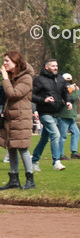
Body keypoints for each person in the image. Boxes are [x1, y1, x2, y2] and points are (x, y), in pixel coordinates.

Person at [1, 52, 37, 189]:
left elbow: (13, 94)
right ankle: (14, 180)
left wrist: (5, 78)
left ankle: (30, 180)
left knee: (22, 148)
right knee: (10, 148)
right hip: (10, 118)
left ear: (16, 63)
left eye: (7, 61)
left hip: (21, 118)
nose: (4, 63)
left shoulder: (26, 78)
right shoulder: (11, 77)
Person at [30, 58, 69, 172]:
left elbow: (65, 92)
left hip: (56, 113)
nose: (56, 68)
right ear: (46, 67)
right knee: (56, 135)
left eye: (56, 65)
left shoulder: (60, 79)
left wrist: (68, 101)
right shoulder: (39, 80)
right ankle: (56, 161)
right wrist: (44, 99)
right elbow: (31, 95)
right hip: (45, 113)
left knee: (44, 139)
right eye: (53, 66)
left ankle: (34, 161)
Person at [56, 73, 80, 159]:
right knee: (63, 136)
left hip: (69, 116)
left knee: (76, 132)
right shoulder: (63, 88)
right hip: (64, 115)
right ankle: (60, 155)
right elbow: (72, 97)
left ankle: (74, 152)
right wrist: (77, 90)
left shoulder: (67, 87)